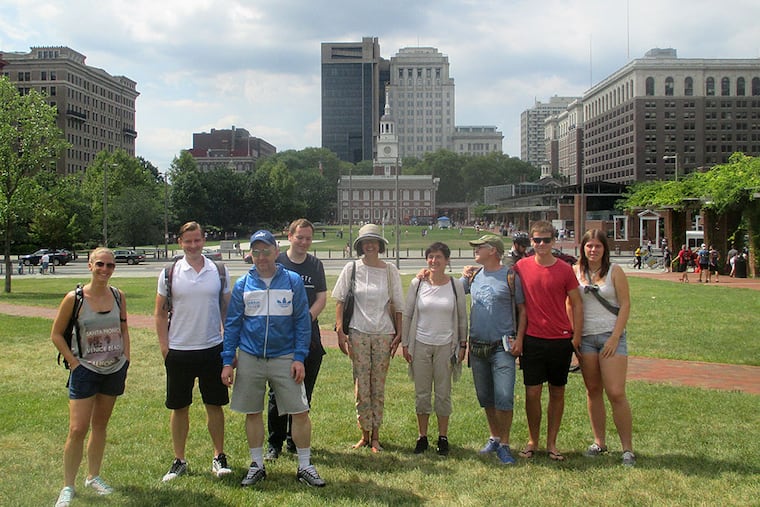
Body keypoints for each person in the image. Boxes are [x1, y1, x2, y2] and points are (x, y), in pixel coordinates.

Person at [222, 230, 325, 487]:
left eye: (266, 251)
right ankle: (257, 465)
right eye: (256, 252)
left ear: (276, 251)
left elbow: (302, 322)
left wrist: (299, 357)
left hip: (285, 356)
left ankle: (305, 466)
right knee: (253, 411)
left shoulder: (291, 281)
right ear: (251, 255)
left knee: (300, 411)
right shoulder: (243, 285)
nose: (261, 257)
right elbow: (233, 324)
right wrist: (227, 360)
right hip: (250, 357)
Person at [51, 248, 130, 507]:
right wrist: (74, 363)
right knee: (77, 429)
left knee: (100, 426)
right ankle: (68, 486)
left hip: (113, 369)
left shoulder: (118, 296)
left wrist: (126, 358)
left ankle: (93, 476)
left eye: (109, 266)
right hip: (85, 369)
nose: (104, 270)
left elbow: (123, 327)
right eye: (100, 264)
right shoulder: (74, 298)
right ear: (89, 266)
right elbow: (56, 334)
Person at [155, 221, 232, 482]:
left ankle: (219, 456)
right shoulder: (169, 272)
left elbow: (227, 312)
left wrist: (229, 350)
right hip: (179, 350)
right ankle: (179, 459)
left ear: (204, 240)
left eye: (197, 240)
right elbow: (160, 312)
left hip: (212, 348)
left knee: (215, 406)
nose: (193, 245)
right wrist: (165, 348)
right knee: (179, 408)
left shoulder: (218, 270)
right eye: (188, 241)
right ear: (180, 242)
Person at [513, 221, 583, 462]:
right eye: (537, 240)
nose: (541, 244)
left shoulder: (564, 269)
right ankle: (533, 439)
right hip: (532, 339)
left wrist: (577, 337)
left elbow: (577, 303)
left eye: (546, 240)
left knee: (557, 391)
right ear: (531, 242)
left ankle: (552, 442)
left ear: (554, 241)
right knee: (532, 393)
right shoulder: (521, 266)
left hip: (560, 340)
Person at [333, 223, 404, 453]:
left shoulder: (390, 270)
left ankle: (376, 436)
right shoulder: (352, 268)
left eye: (374, 241)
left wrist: (399, 332)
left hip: (383, 333)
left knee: (378, 386)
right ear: (361, 245)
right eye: (366, 242)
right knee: (361, 384)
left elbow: (398, 304)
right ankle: (364, 433)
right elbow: (340, 300)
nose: (370, 245)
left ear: (380, 245)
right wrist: (340, 331)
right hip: (358, 332)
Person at [460, 235, 526, 464]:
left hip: (502, 346)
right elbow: (448, 289)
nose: (476, 250)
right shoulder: (474, 276)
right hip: (477, 345)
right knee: (485, 396)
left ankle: (505, 443)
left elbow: (522, 309)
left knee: (505, 395)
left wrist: (520, 338)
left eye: (480, 247)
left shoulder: (509, 276)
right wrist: (425, 275)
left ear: (494, 251)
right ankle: (494, 437)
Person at [265, 219, 327, 461]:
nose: (303, 242)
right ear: (289, 237)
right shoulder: (278, 263)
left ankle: (294, 439)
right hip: (281, 337)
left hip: (309, 336)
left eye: (308, 238)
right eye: (299, 237)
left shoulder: (315, 265)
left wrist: (305, 320)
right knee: (277, 393)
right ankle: (274, 443)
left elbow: (321, 298)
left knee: (303, 392)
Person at [573, 230, 635, 467]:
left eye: (598, 246)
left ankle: (627, 448)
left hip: (611, 336)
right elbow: (571, 303)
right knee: (593, 390)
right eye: (589, 245)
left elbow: (626, 303)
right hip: (586, 337)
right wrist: (575, 336)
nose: (593, 250)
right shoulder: (576, 271)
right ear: (583, 248)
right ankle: (599, 442)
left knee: (616, 391)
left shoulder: (615, 271)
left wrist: (615, 336)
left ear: (604, 249)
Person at [401, 242, 467, 456]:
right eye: (430, 257)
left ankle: (443, 437)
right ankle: (422, 436)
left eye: (438, 257)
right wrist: (405, 343)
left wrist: (462, 343)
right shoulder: (417, 284)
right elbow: (408, 313)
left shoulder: (455, 285)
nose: (434, 261)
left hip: (446, 346)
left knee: (443, 393)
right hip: (420, 344)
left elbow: (462, 317)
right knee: (421, 393)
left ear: (447, 260)